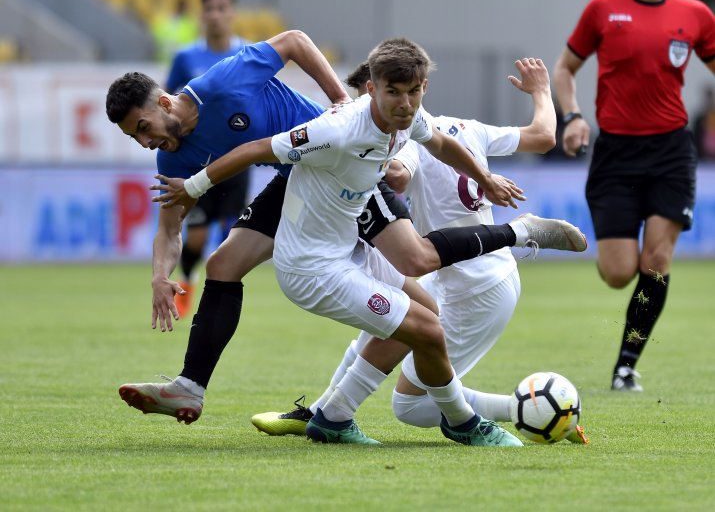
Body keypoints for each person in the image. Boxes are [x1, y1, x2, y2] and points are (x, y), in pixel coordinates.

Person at [108, 32, 584, 429]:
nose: (147, 141)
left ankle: (519, 234)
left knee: (415, 268)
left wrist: (338, 98)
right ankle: (198, 388)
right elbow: (169, 223)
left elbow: (293, 41)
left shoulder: (223, 83)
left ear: (165, 101)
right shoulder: (171, 155)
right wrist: (158, 275)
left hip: (343, 166)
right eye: (137, 137)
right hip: (297, 177)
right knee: (223, 264)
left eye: (145, 126)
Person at [249, 60, 588, 444]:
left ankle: (533, 411)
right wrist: (541, 91)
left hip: (476, 287)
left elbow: (398, 173)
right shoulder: (469, 128)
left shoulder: (404, 136)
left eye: (369, 101)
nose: (363, 113)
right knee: (383, 314)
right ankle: (323, 411)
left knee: (410, 406)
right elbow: (544, 136)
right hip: (462, 276)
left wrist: (362, 158)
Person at [553, 0, 715, 391]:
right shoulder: (602, 9)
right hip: (616, 155)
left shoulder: (695, 13)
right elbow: (566, 69)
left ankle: (626, 366)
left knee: (656, 262)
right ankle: (616, 263)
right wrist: (572, 117)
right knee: (619, 272)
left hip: (671, 153)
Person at [165, 0, 252, 318]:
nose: (216, 15)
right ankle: (187, 278)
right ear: (202, 16)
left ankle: (216, 302)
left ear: (232, 13)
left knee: (231, 237)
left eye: (222, 8)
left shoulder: (247, 53)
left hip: (237, 159)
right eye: (210, 9)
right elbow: (168, 103)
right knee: (197, 238)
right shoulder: (186, 58)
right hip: (198, 162)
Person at [692, 86, 715, 162]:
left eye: (710, 98)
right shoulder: (699, 119)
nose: (709, 101)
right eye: (707, 99)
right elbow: (695, 137)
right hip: (702, 158)